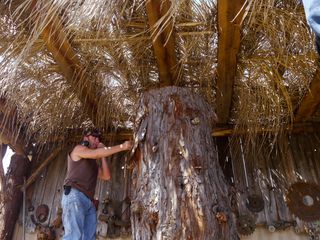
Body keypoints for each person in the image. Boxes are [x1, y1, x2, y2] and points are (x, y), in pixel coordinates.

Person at [61, 128, 132, 240]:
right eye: (94, 137)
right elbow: (95, 154)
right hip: (75, 196)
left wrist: (103, 155)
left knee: (89, 237)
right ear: (85, 138)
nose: (97, 140)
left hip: (88, 202)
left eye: (99, 139)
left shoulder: (93, 163)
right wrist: (122, 146)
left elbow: (106, 176)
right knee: (73, 236)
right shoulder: (78, 149)